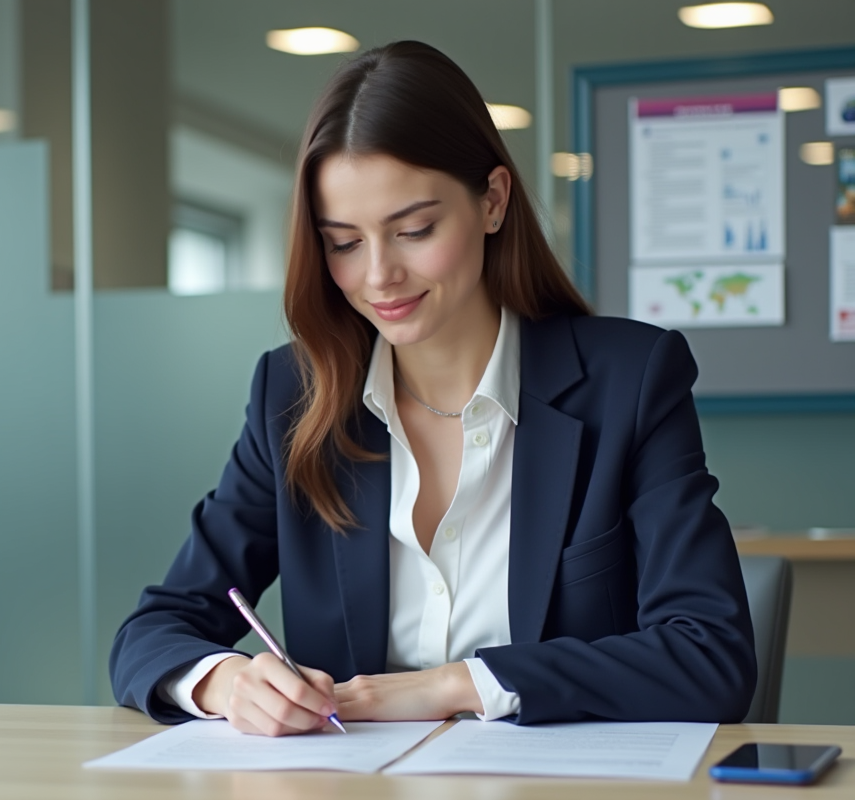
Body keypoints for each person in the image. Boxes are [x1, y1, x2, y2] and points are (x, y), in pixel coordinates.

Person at [110, 40, 756, 736]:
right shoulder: (293, 396)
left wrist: (456, 685)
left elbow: (710, 657)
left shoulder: (628, 380)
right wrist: (229, 681)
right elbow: (154, 632)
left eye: (414, 230)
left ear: (493, 202)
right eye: (344, 243)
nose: (379, 275)